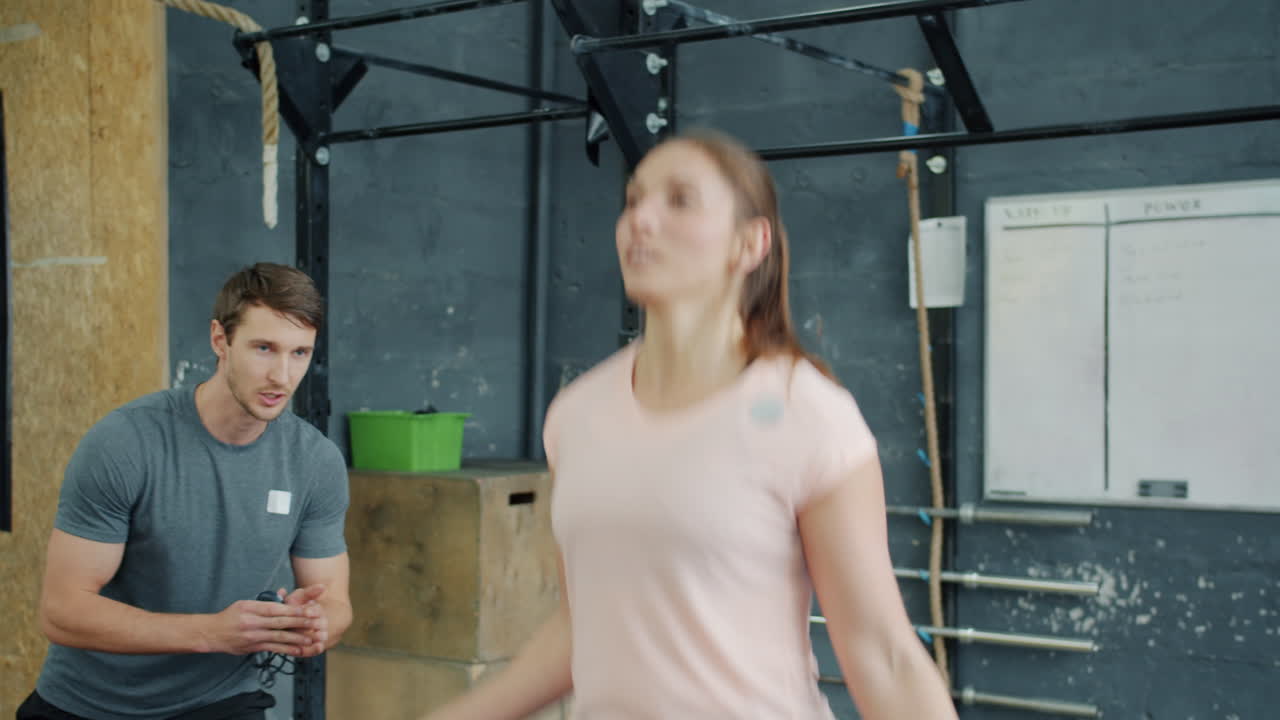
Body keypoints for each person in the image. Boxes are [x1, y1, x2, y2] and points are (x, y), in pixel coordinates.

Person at [425, 130, 957, 719]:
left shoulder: (807, 414)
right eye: (632, 201)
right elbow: (583, 627)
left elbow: (883, 657)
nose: (639, 220)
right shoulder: (576, 414)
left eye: (679, 200)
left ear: (749, 243)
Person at [20, 263, 352, 720]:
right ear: (221, 340)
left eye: (299, 353)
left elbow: (336, 602)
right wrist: (212, 632)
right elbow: (61, 611)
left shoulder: (316, 461)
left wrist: (313, 625)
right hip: (93, 705)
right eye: (264, 348)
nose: (282, 375)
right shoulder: (125, 442)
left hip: (222, 701)